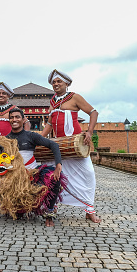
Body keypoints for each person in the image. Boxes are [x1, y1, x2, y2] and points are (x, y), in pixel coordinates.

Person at [41, 69, 101, 223]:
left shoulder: (75, 97)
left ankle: (89, 210)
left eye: (59, 81)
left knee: (88, 175)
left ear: (66, 83)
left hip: (76, 144)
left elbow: (93, 112)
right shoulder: (52, 102)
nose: (56, 84)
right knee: (53, 177)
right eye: (54, 82)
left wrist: (89, 131)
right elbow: (49, 124)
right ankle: (51, 207)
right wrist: (38, 139)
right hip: (58, 145)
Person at [6, 108, 64, 227]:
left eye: (17, 117)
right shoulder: (5, 139)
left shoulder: (31, 136)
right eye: (11, 117)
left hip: (34, 174)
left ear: (23, 120)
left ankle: (49, 213)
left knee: (54, 177)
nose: (14, 119)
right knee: (18, 213)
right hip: (14, 178)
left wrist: (59, 165)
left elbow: (53, 145)